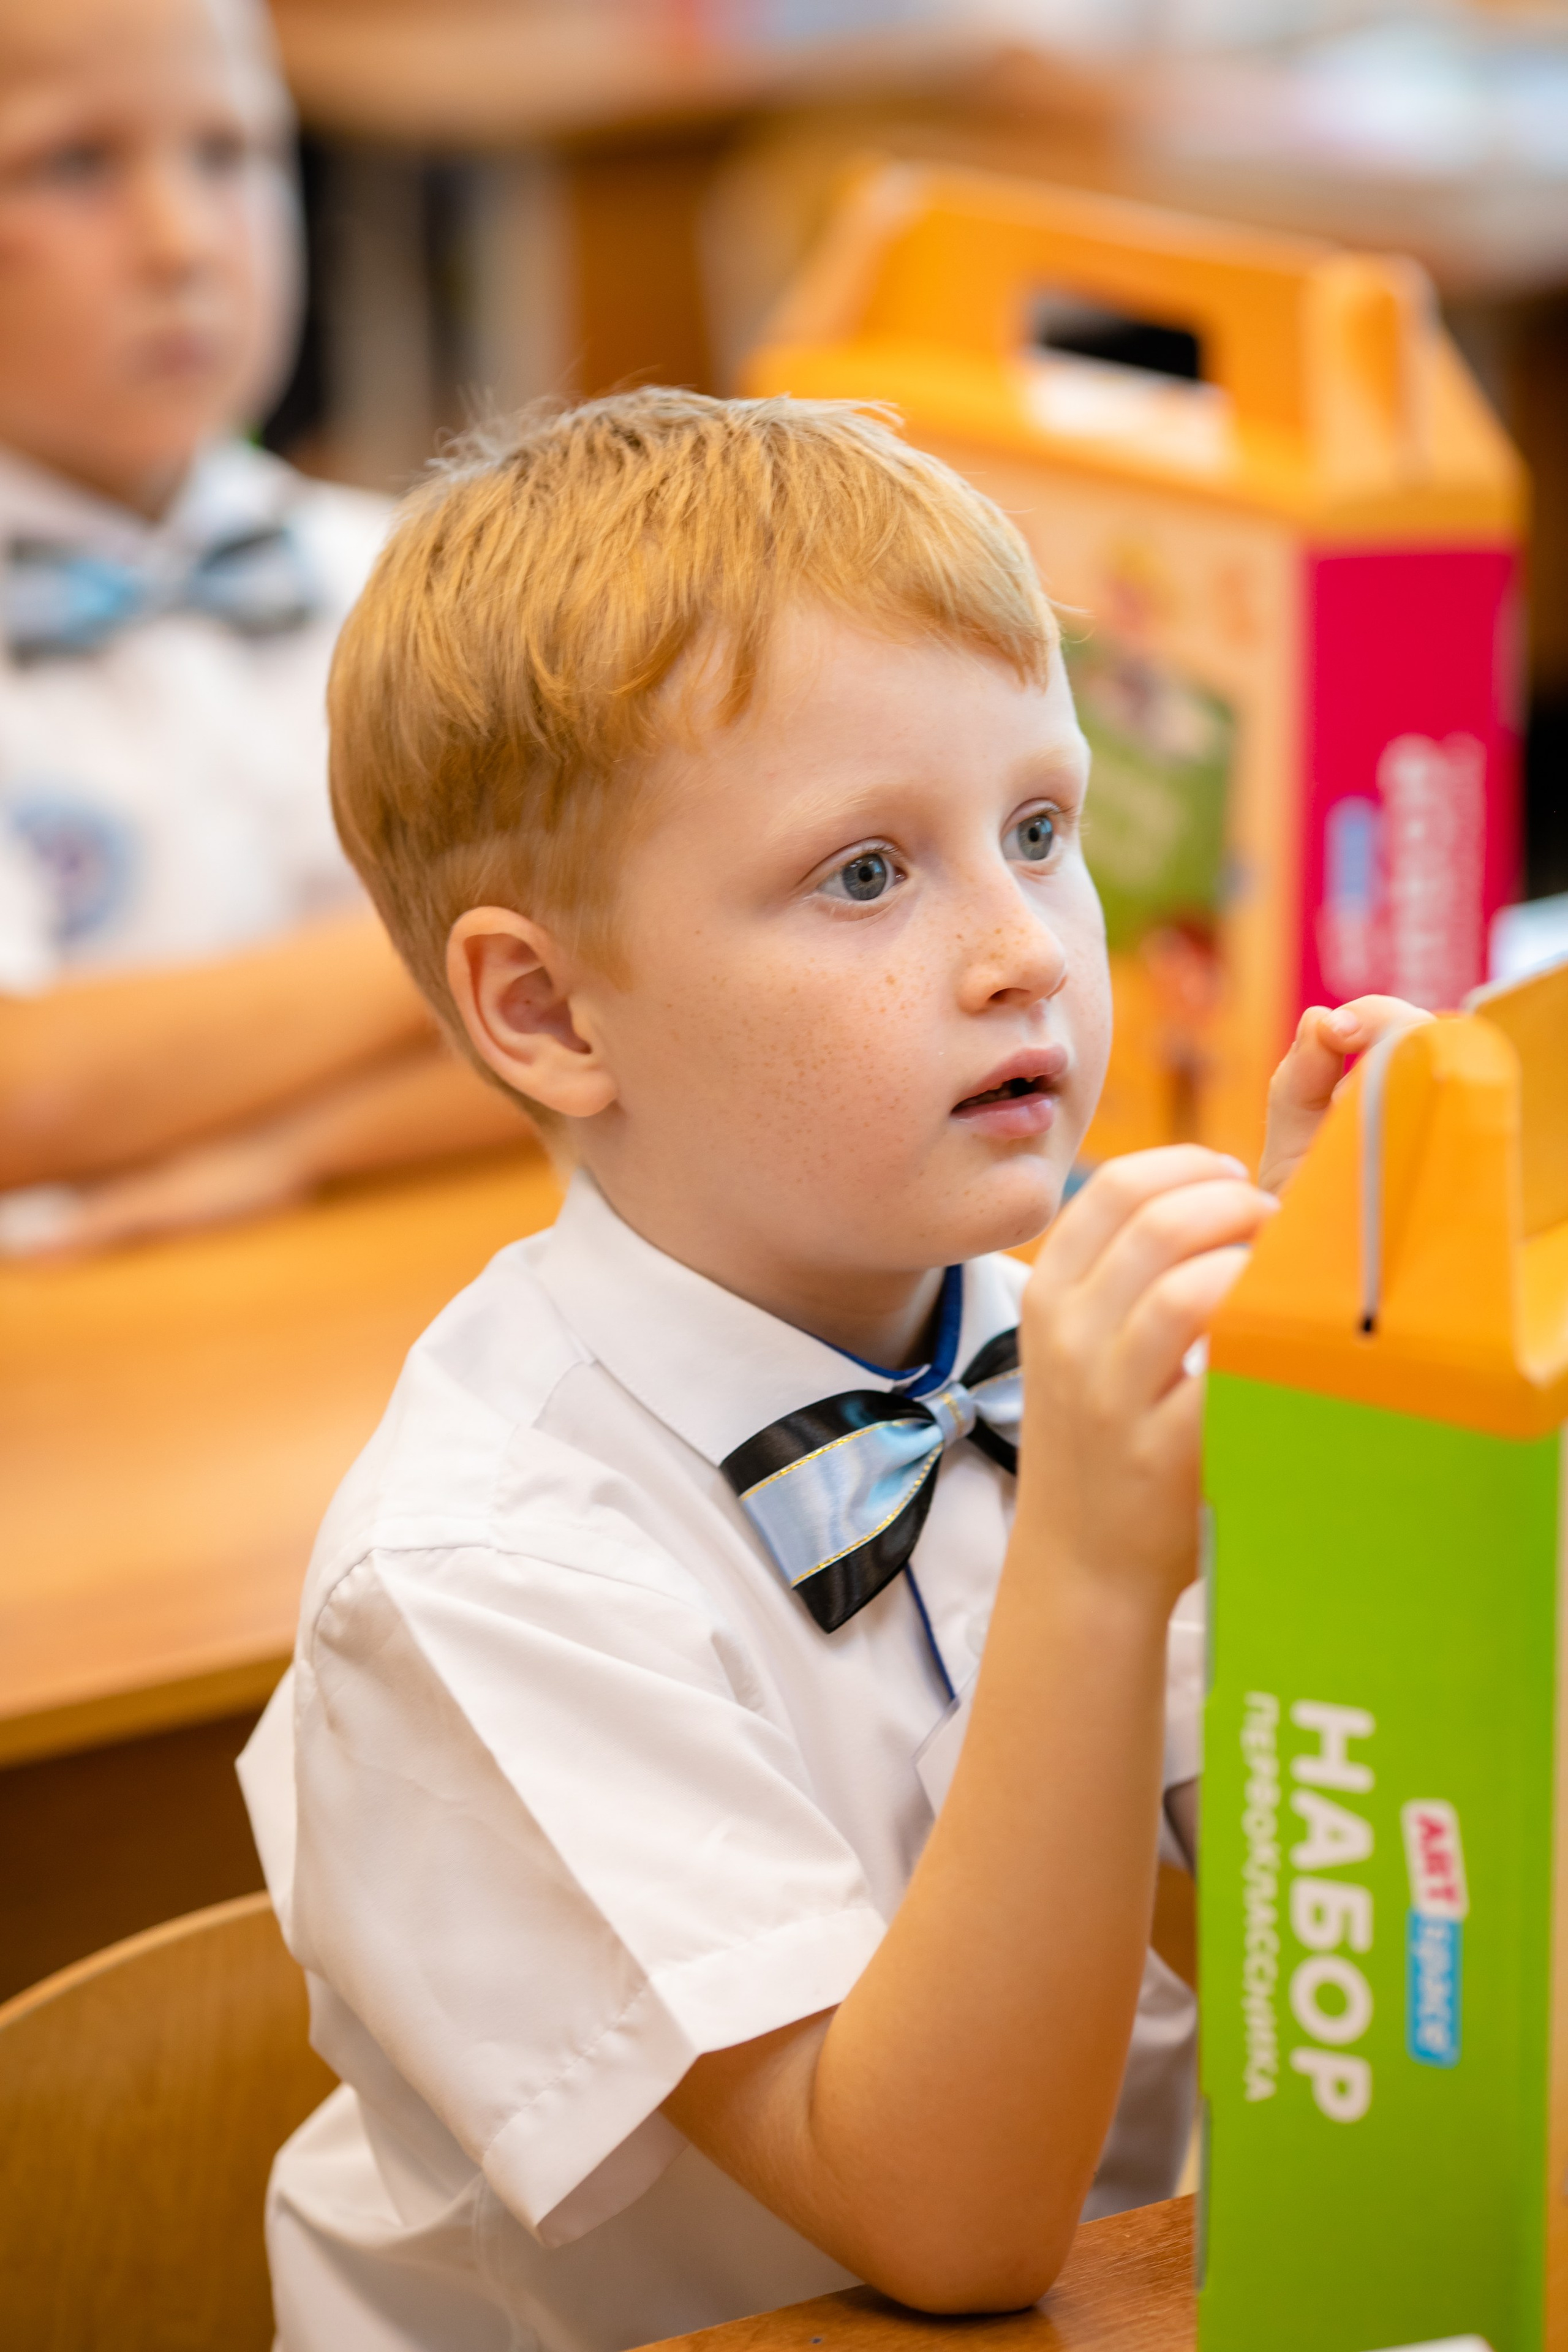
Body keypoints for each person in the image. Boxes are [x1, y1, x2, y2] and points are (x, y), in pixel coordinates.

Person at [238, 391, 1427, 2351]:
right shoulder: (475, 1580)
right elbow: (942, 2227)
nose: (1028, 949)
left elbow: (1371, 1956)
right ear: (549, 1010)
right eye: (868, 876)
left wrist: (1343, 1428)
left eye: (1042, 830)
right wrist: (1106, 1564)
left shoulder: (1047, 1350)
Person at [0, 0, 525, 1256]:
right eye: (72, 163)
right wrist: (511, 933)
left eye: (230, 153)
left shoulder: (425, 574)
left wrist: (290, 1149)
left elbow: (634, 1032)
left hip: (384, 1267)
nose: (182, 243)